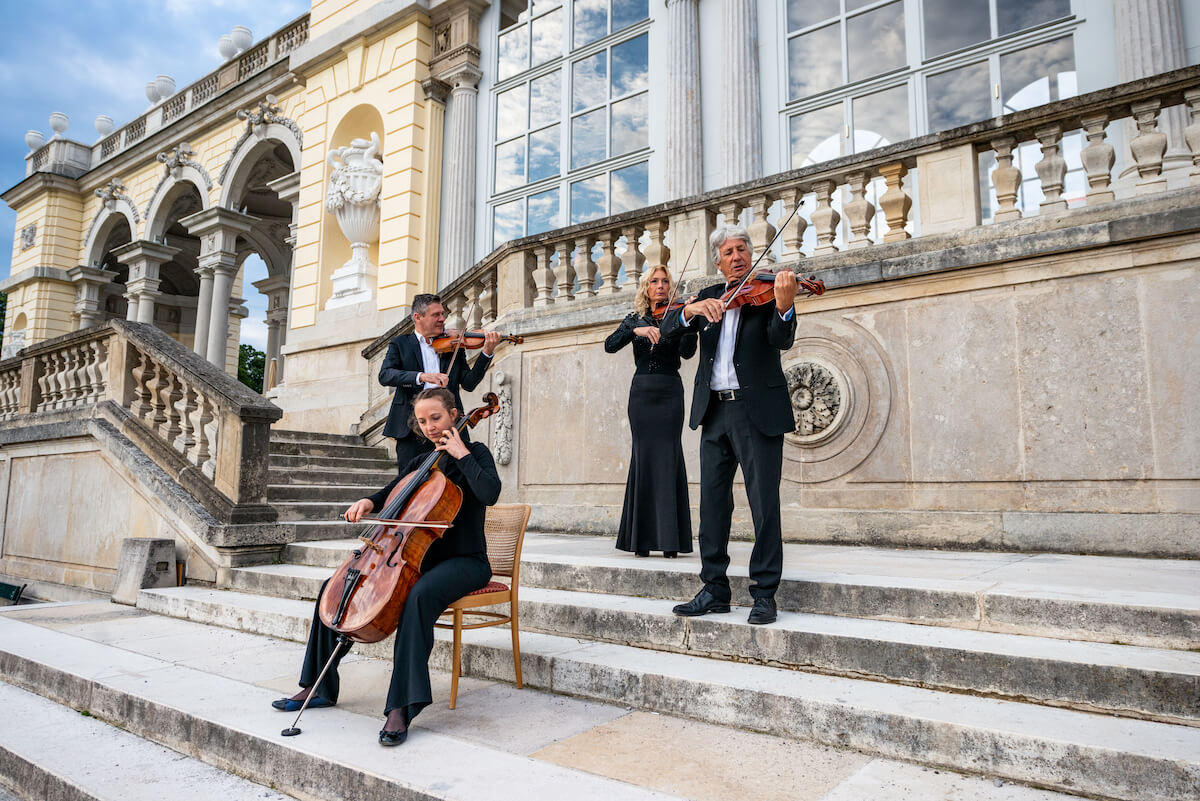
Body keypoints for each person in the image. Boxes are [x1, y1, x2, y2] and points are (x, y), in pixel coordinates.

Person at [271, 387, 499, 745]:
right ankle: (317, 686)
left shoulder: (477, 453)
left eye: (435, 418)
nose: (429, 427)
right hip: (414, 558)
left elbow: (490, 493)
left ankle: (400, 709)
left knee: (419, 597)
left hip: (464, 561)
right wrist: (368, 500)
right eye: (422, 421)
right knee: (336, 586)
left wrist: (462, 454)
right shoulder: (421, 461)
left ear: (454, 414)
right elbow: (393, 491)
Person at [659, 225, 798, 626]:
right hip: (713, 413)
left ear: (751, 255)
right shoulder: (707, 297)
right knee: (712, 507)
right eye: (729, 252)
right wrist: (689, 311)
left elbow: (781, 338)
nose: (737, 256)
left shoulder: (767, 291)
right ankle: (714, 589)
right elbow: (670, 334)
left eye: (742, 249)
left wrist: (785, 306)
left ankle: (765, 593)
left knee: (764, 506)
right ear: (718, 262)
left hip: (756, 412)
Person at [604, 266, 698, 558]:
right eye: (654, 281)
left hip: (670, 391)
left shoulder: (678, 314)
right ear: (646, 287)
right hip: (642, 394)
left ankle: (671, 541)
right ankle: (640, 540)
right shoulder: (635, 319)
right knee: (643, 458)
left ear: (670, 287)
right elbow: (609, 345)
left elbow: (687, 353)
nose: (660, 285)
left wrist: (690, 321)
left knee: (669, 457)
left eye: (665, 281)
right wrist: (635, 330)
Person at [379, 293, 501, 469]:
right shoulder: (400, 344)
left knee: (455, 478)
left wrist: (487, 352)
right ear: (417, 317)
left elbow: (469, 383)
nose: (442, 319)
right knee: (410, 481)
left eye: (442, 314)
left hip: (449, 425)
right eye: (436, 315)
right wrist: (422, 376)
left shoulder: (453, 345)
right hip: (411, 426)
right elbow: (385, 375)